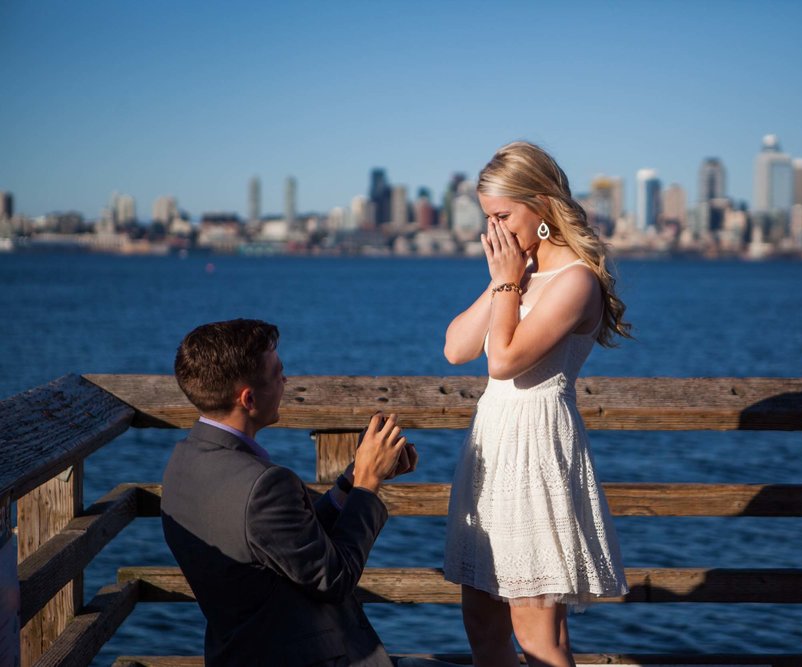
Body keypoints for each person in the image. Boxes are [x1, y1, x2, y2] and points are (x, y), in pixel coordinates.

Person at [442, 142, 631, 667]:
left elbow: (502, 361)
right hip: (493, 448)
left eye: (503, 216)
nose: (493, 231)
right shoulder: (516, 274)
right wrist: (504, 280)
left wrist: (507, 281)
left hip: (537, 450)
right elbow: (456, 349)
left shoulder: (576, 281)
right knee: (482, 626)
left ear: (542, 205)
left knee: (538, 636)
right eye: (487, 218)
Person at [161, 318, 418, 667]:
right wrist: (369, 484)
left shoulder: (182, 463)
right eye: (278, 374)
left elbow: (288, 543)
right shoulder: (264, 485)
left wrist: (353, 478)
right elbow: (335, 577)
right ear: (248, 398)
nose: (285, 381)